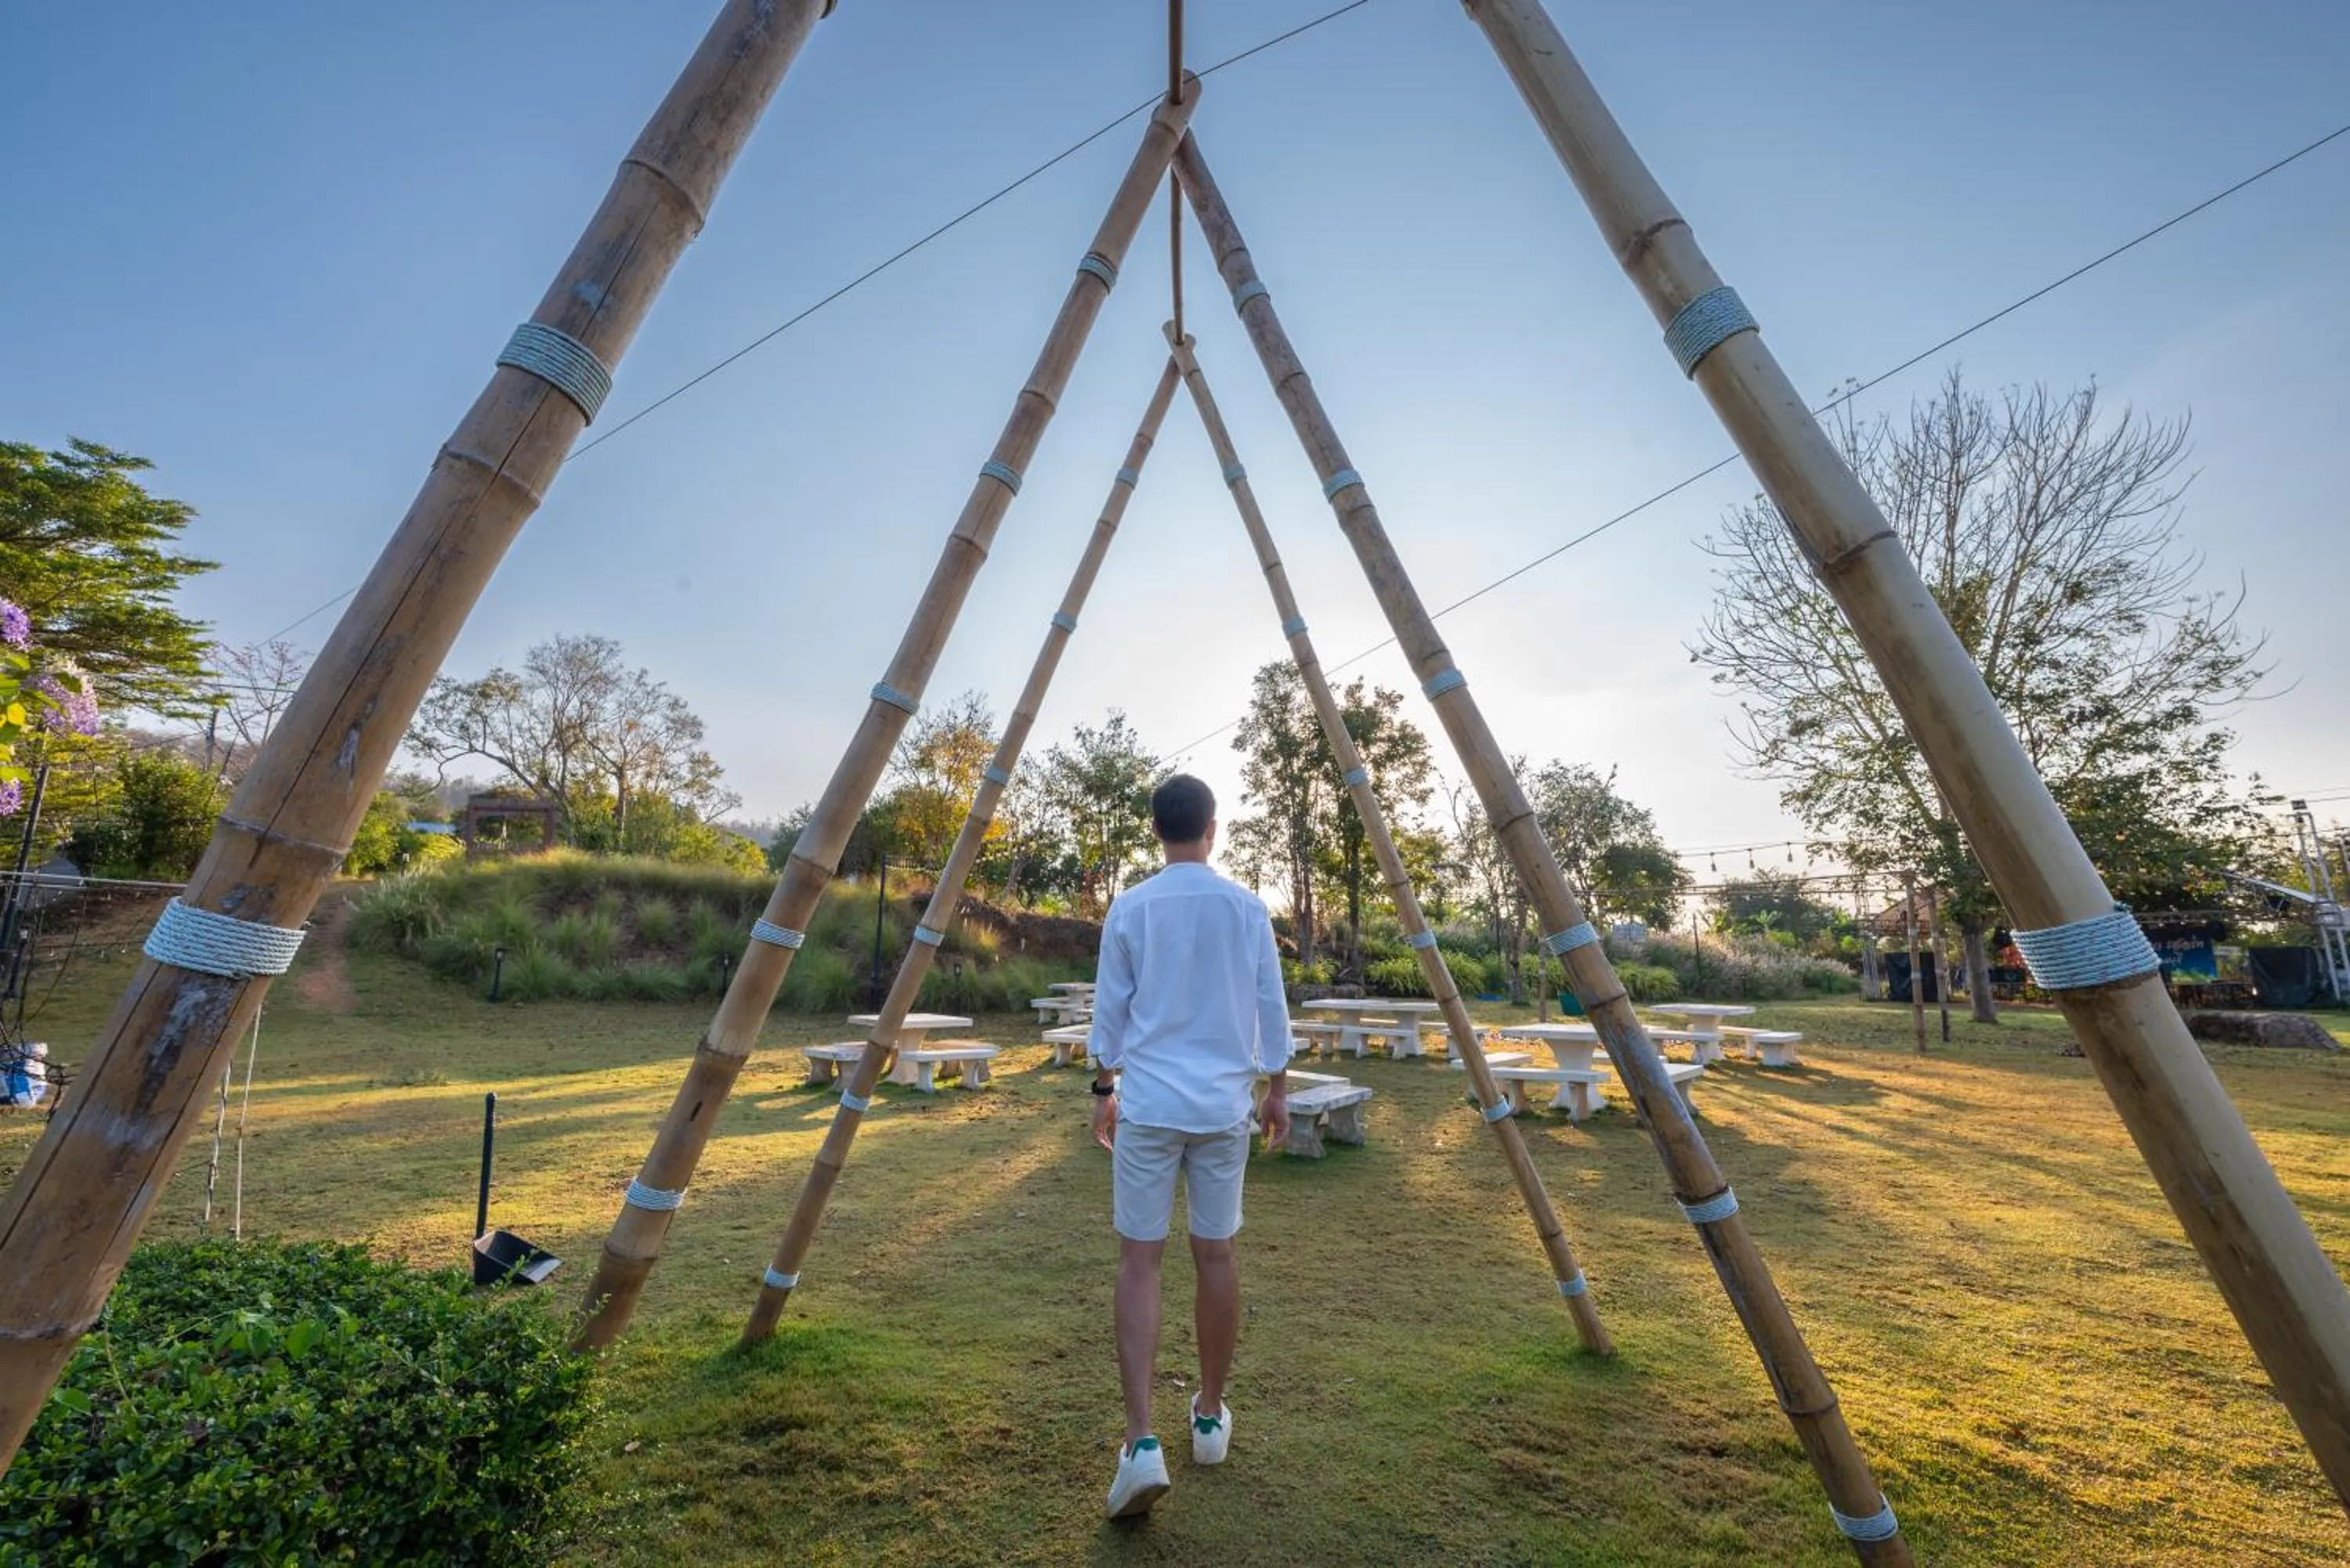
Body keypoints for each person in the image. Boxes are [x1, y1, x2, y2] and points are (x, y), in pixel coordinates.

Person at [1086, 773, 1292, 1519]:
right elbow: (1270, 1005)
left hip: (1149, 1106)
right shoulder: (1246, 909)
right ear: (1212, 827)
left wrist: (1103, 1089)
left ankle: (1141, 1443)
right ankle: (1207, 1415)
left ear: (1156, 829)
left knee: (1140, 1259)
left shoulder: (1132, 907)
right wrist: (1277, 1090)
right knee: (1217, 1254)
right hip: (1220, 1109)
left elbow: (1111, 1009)